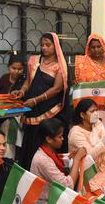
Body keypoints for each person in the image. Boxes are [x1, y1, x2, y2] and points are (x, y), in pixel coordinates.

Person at [12, 33, 69, 170]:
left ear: (55, 46)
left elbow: (57, 89)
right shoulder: (34, 60)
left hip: (49, 111)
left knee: (44, 141)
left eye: (48, 45)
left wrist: (37, 100)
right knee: (30, 141)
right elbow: (28, 82)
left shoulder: (59, 65)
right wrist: (22, 91)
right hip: (31, 110)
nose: (44, 48)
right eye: (42, 45)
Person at [31, 118, 87, 204]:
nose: (63, 139)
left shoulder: (47, 151)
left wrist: (70, 157)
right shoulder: (42, 160)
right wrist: (77, 159)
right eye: (60, 136)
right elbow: (67, 186)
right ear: (49, 139)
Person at [68, 99, 105, 192]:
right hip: (87, 174)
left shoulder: (97, 124)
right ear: (82, 115)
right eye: (92, 111)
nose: (96, 114)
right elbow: (89, 157)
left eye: (96, 110)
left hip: (104, 169)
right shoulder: (76, 133)